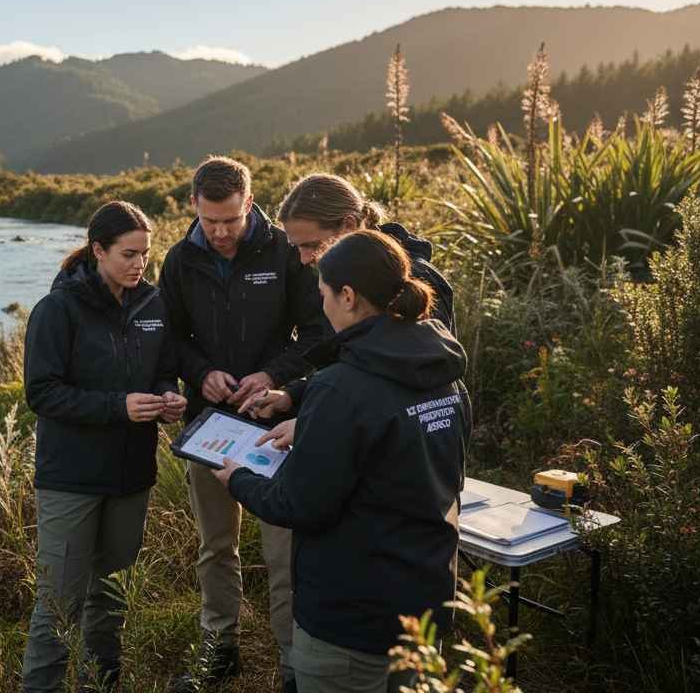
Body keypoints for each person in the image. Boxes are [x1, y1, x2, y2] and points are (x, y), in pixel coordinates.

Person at [212, 229, 471, 693]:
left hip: (351, 619)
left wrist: (239, 479)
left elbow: (299, 505)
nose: (321, 308)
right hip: (425, 603)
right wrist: (300, 402)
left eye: (323, 295)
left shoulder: (341, 390)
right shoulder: (444, 375)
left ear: (348, 296)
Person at [158, 156, 325, 691]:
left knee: (284, 550)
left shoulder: (284, 251)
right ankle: (219, 648)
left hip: (275, 422)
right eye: (210, 221)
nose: (221, 232)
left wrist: (272, 374)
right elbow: (169, 340)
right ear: (194, 208)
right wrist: (199, 372)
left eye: (230, 219)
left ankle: (292, 663)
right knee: (215, 547)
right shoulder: (179, 260)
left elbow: (319, 332)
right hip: (211, 427)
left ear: (249, 203)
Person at [21, 200, 186, 693]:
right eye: (128, 254)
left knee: (110, 596)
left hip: (132, 476)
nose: (139, 264)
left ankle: (101, 683)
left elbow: (163, 368)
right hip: (70, 480)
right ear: (98, 250)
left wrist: (170, 395)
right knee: (58, 606)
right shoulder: (57, 309)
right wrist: (119, 407)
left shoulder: (154, 303)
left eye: (145, 254)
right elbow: (42, 393)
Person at [243, 173, 455, 450]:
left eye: (311, 245)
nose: (305, 259)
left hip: (413, 458)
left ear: (350, 225)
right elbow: (355, 368)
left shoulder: (410, 281)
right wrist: (293, 396)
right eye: (297, 248)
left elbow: (406, 386)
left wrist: (314, 423)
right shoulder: (342, 278)